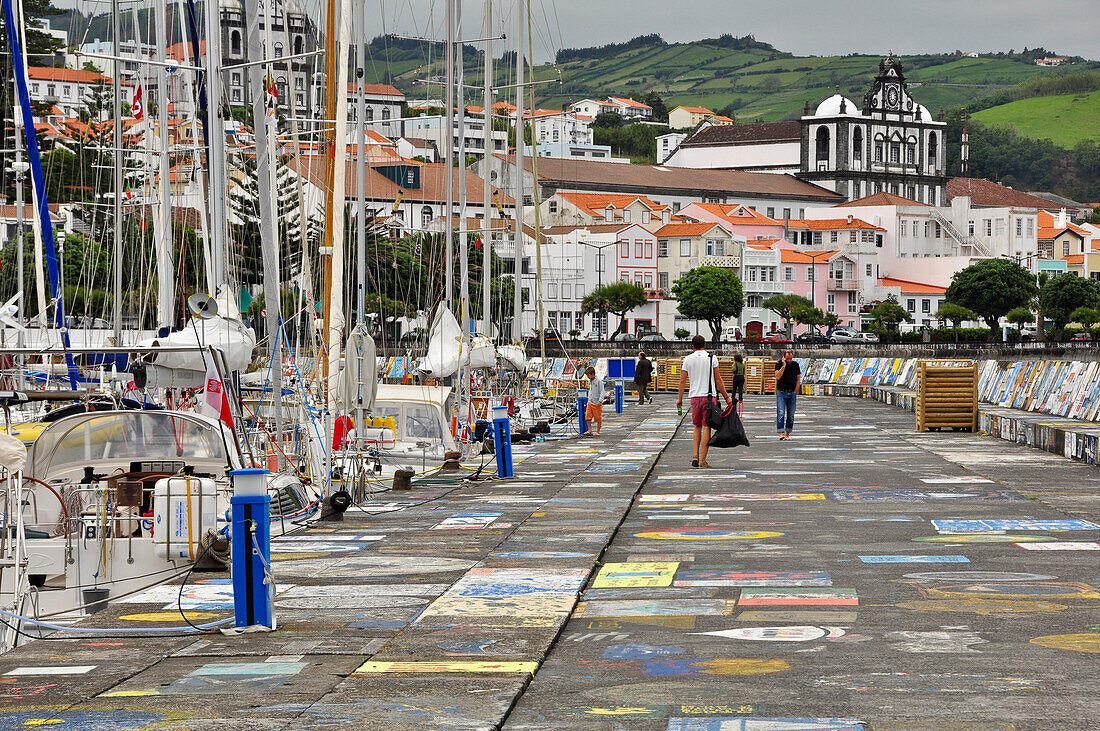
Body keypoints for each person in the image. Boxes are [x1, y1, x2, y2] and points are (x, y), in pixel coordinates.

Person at [676, 335, 732, 468]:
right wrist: (726, 397)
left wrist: (679, 399)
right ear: (704, 344)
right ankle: (703, 460)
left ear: (692, 346)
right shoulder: (712, 358)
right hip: (709, 397)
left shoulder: (687, 360)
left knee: (697, 426)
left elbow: (682, 380)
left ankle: (695, 454)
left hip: (695, 397)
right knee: (707, 427)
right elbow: (718, 380)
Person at [775, 349, 801, 440]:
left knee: (791, 415)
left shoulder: (795, 365)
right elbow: (777, 377)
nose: (789, 361)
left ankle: (787, 434)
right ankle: (781, 433)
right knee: (781, 412)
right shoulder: (779, 364)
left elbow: (798, 379)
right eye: (787, 359)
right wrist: (783, 365)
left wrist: (795, 391)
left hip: (792, 392)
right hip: (781, 392)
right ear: (784, 358)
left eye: (790, 359)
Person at [583, 366, 604, 436]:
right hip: (590, 401)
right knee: (588, 416)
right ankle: (590, 430)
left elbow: (602, 391)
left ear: (592, 374)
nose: (588, 377)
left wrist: (600, 401)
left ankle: (598, 431)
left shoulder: (598, 381)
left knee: (598, 418)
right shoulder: (589, 381)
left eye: (588, 375)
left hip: (597, 402)